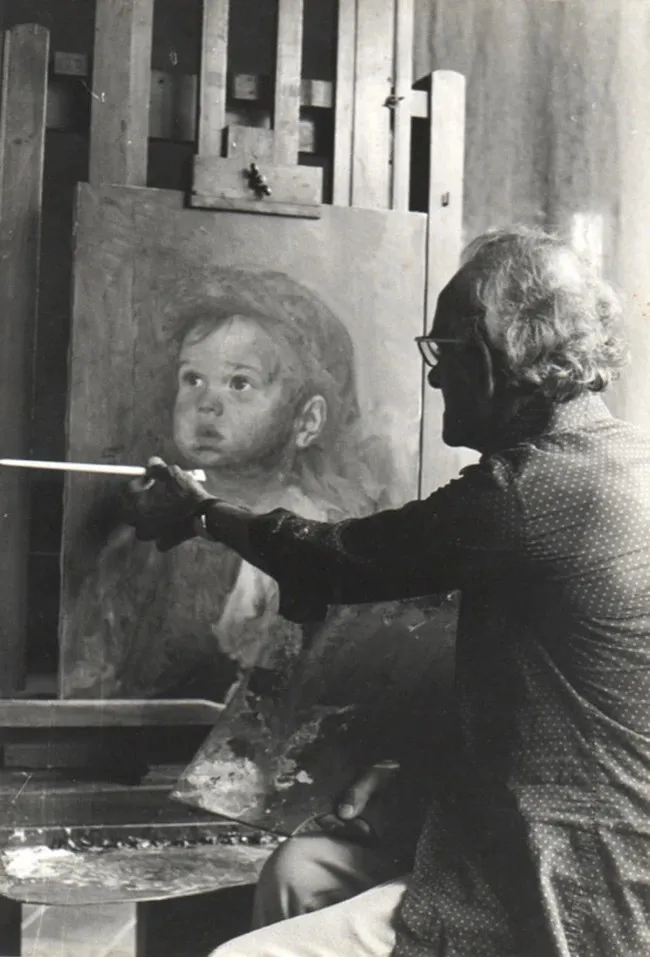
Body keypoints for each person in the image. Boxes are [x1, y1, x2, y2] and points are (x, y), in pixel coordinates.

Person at [124, 226, 650, 957]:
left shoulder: (531, 492)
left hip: (567, 877)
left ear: (495, 356)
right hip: (567, 833)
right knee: (302, 875)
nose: (434, 380)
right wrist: (414, 777)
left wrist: (199, 512)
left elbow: (337, 560)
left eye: (443, 352)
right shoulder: (623, 456)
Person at [63, 272, 400, 699]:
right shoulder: (145, 536)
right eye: (192, 379)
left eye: (240, 383)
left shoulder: (318, 535)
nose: (206, 403)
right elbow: (94, 670)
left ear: (307, 421)